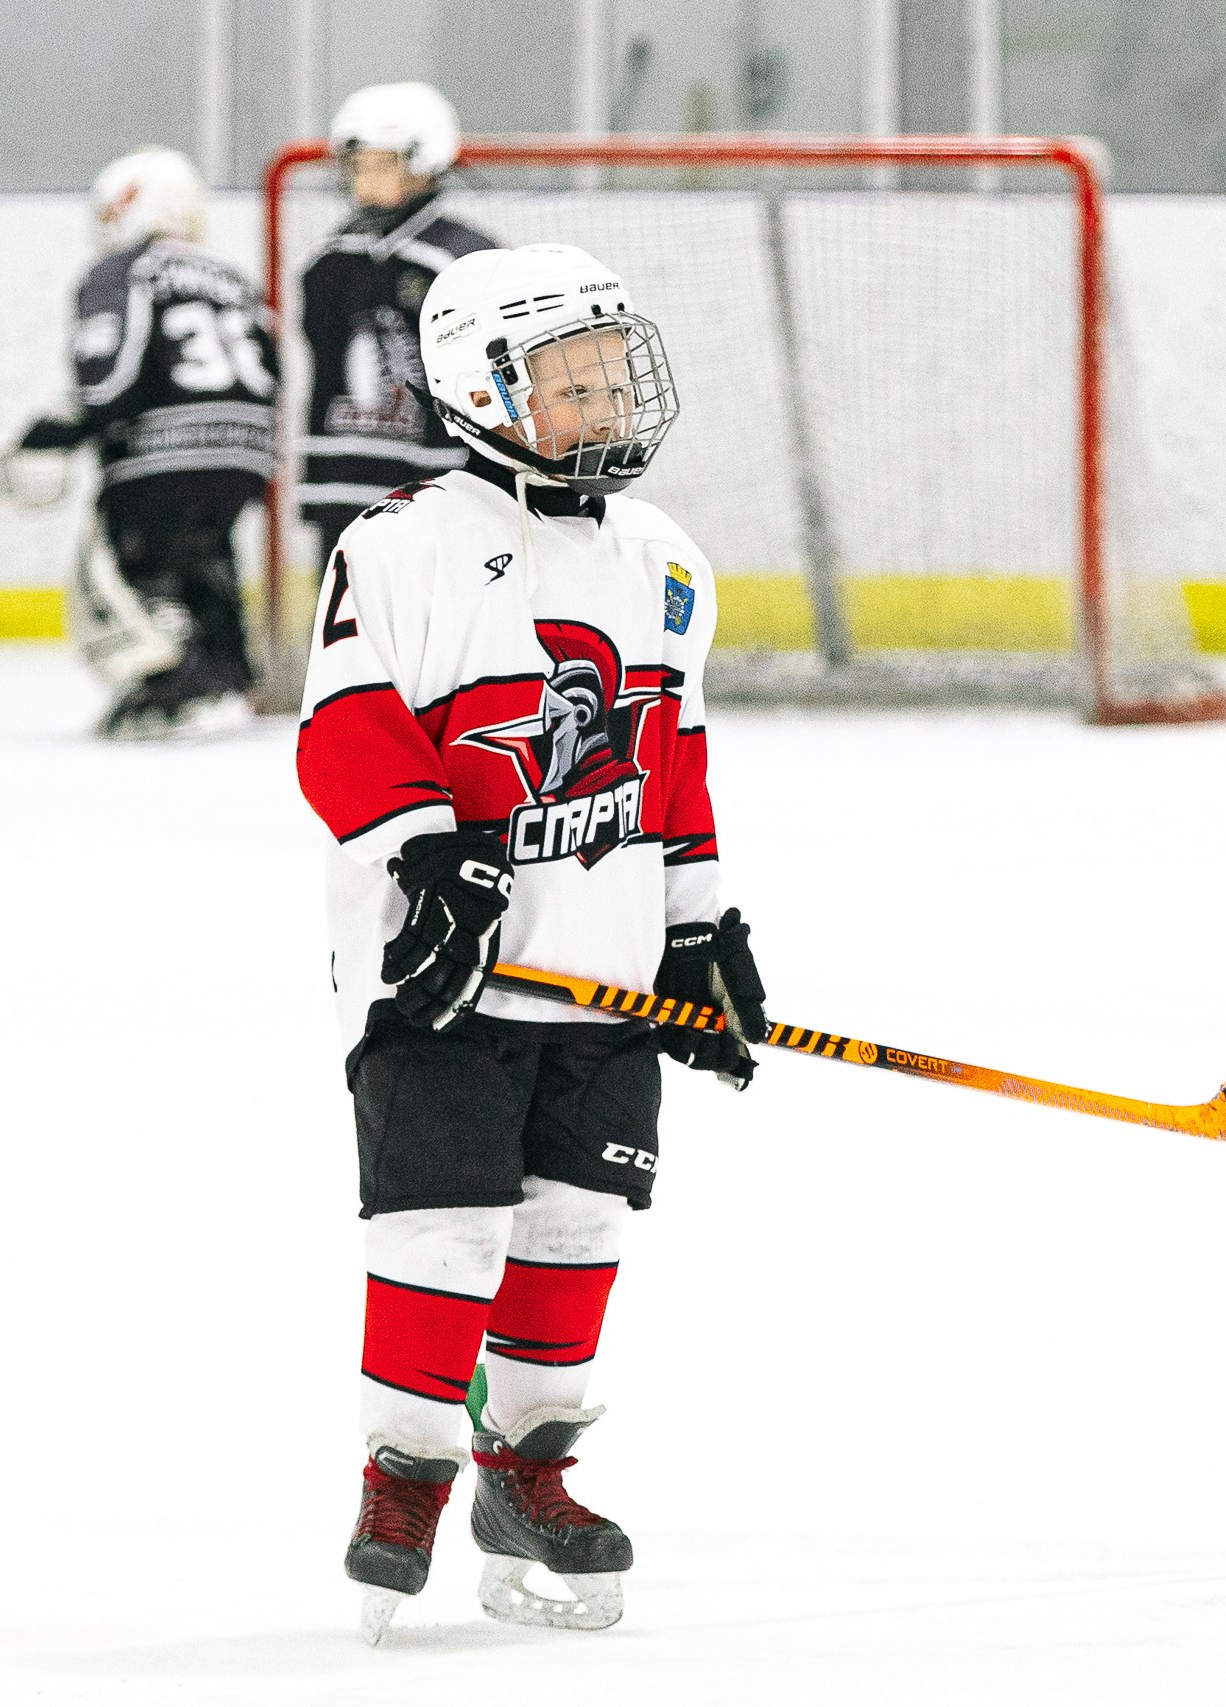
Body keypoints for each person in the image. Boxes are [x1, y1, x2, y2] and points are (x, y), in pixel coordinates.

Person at [295, 243, 768, 1643]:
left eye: (612, 368)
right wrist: (427, 860)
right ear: (480, 390)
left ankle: (528, 1467)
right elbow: (345, 730)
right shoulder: (398, 544)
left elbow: (674, 764)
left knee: (579, 1219)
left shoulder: (667, 560)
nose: (603, 396)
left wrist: (702, 929)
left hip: (605, 971)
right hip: (440, 972)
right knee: (441, 1225)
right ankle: (406, 1473)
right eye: (568, 379)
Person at [1, 148, 275, 740]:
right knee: (208, 552)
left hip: (158, 457)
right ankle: (228, 662)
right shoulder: (232, 276)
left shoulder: (122, 269)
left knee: (127, 571)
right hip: (244, 455)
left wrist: (58, 435)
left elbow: (107, 377)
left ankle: (169, 673)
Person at [298, 82, 493, 563]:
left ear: (427, 163)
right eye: (358, 165)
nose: (366, 180)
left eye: (383, 164)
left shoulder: (461, 258)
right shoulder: (330, 259)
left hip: (436, 479)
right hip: (345, 475)